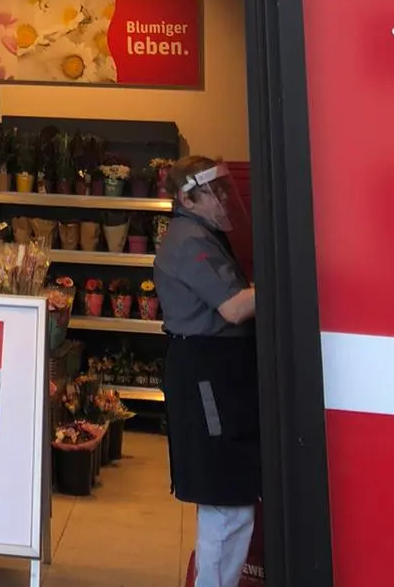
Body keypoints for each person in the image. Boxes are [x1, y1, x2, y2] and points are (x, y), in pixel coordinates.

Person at [153, 155, 259, 587]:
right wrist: (289, 281)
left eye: (223, 191)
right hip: (207, 378)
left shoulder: (203, 235)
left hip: (216, 373)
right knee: (226, 502)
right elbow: (233, 307)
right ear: (187, 199)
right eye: (213, 193)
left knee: (227, 500)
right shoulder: (189, 242)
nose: (223, 200)